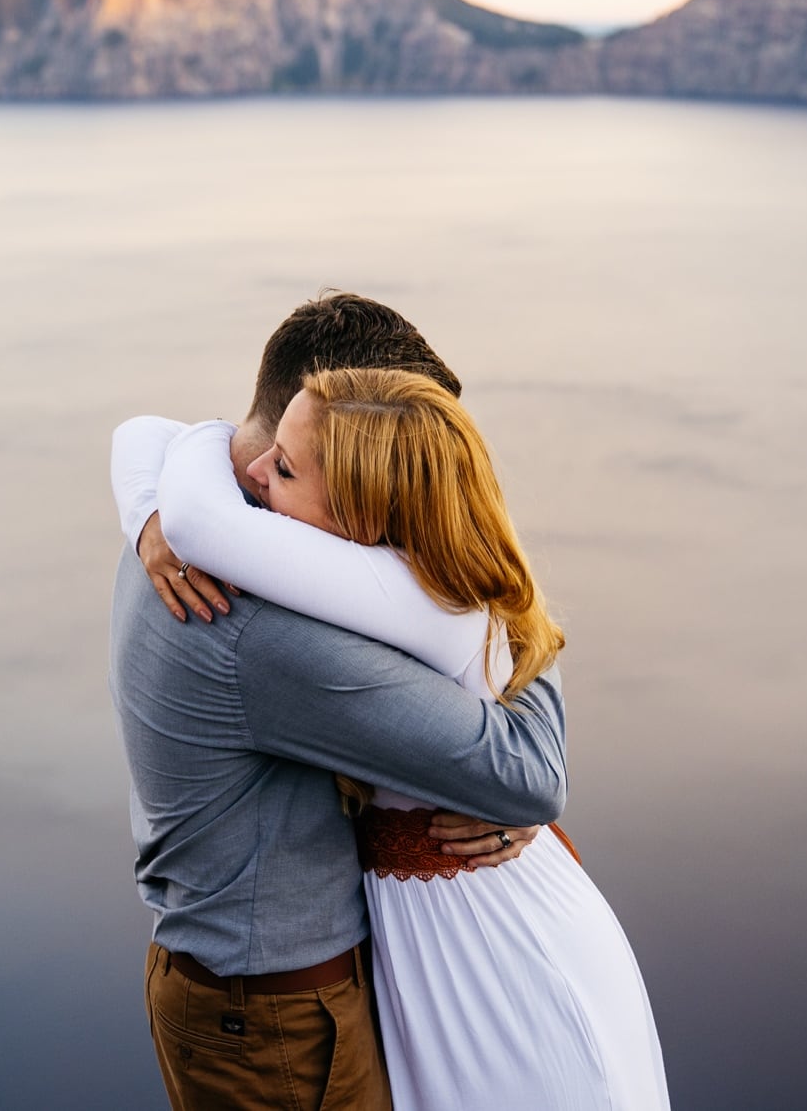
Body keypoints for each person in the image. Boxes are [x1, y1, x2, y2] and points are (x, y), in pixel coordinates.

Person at [117, 366, 672, 1110]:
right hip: (427, 945)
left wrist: (155, 512)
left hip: (493, 953)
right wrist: (147, 503)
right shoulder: (439, 574)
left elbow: (190, 499)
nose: (250, 477)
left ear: (360, 520)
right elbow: (147, 440)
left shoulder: (402, 603)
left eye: (282, 469)